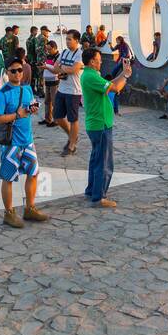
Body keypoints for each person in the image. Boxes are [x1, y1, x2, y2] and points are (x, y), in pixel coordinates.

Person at [0, 59, 49, 228]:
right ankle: (9, 213)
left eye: (19, 70)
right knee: (8, 177)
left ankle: (30, 208)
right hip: (11, 143)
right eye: (13, 71)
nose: (17, 73)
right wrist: (17, 115)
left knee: (33, 173)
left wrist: (33, 109)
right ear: (7, 73)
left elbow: (29, 108)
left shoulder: (27, 89)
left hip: (28, 141)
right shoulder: (3, 93)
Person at [80, 46, 132, 209]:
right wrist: (125, 75)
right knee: (104, 162)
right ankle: (99, 197)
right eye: (98, 59)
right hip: (100, 124)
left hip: (97, 123)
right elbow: (115, 88)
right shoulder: (90, 76)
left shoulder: (90, 75)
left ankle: (91, 191)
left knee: (96, 159)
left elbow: (110, 84)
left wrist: (123, 74)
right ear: (92, 61)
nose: (101, 61)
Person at [54, 30, 84, 157]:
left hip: (74, 91)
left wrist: (63, 68)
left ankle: (71, 145)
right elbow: (55, 68)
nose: (67, 41)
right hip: (62, 89)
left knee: (73, 119)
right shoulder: (64, 52)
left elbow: (74, 69)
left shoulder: (80, 54)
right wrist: (63, 68)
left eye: (69, 39)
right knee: (58, 117)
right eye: (66, 39)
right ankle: (72, 136)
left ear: (77, 40)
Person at [39, 40, 59, 127]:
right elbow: (47, 66)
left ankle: (57, 120)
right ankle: (48, 118)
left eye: (49, 49)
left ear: (55, 48)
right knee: (47, 101)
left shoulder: (58, 57)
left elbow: (56, 70)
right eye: (47, 49)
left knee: (55, 102)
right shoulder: (48, 56)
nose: (48, 51)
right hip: (47, 80)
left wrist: (46, 66)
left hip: (55, 81)